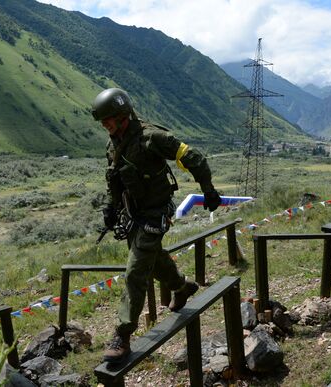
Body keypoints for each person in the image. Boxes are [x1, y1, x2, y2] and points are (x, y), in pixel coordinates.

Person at [91, 88, 221, 363]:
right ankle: (181, 286)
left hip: (156, 213)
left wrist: (208, 189)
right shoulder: (113, 143)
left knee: (136, 271)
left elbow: (193, 157)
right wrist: (112, 209)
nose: (105, 126)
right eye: (103, 122)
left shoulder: (152, 138)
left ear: (123, 115)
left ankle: (123, 334)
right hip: (133, 214)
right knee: (153, 259)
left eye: (108, 120)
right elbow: (115, 180)